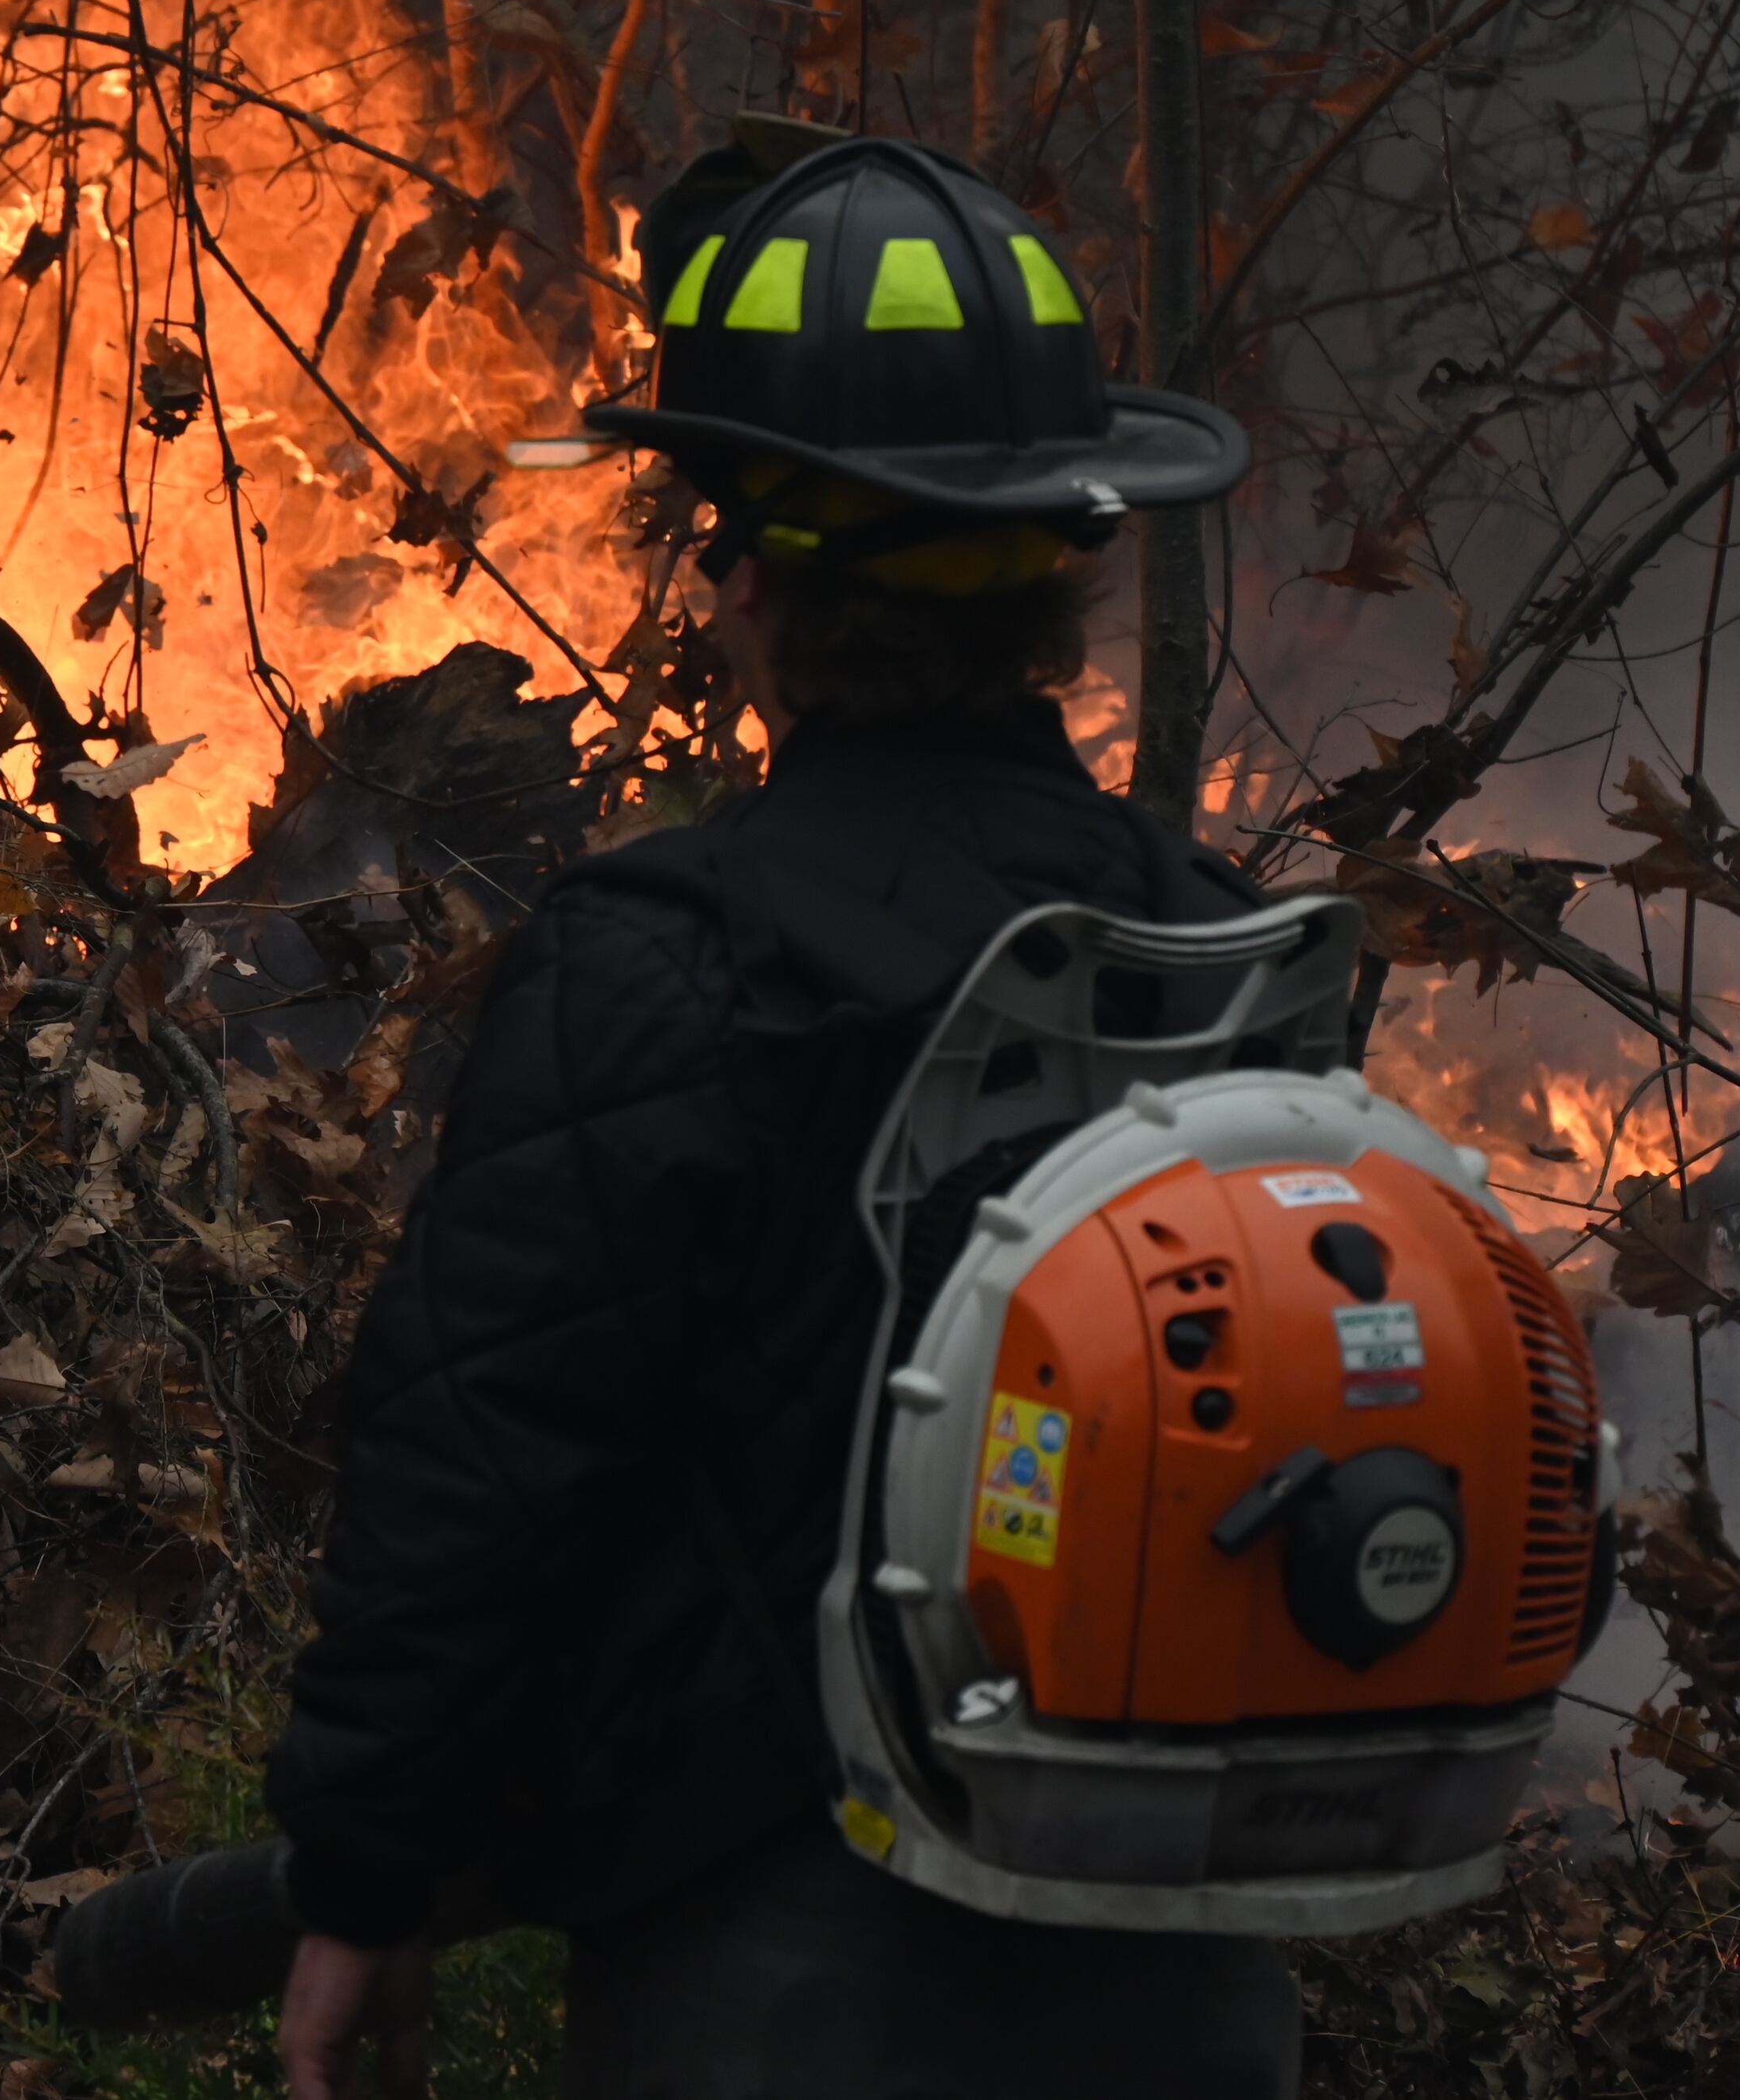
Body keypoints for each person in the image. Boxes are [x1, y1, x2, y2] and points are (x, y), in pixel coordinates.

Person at [259, 136, 1303, 2100]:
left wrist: (362, 1870)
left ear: (740, 574)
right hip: (1183, 1944)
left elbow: (483, 1465)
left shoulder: (669, 964)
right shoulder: (1216, 947)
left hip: (792, 1959)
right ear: (1061, 578)